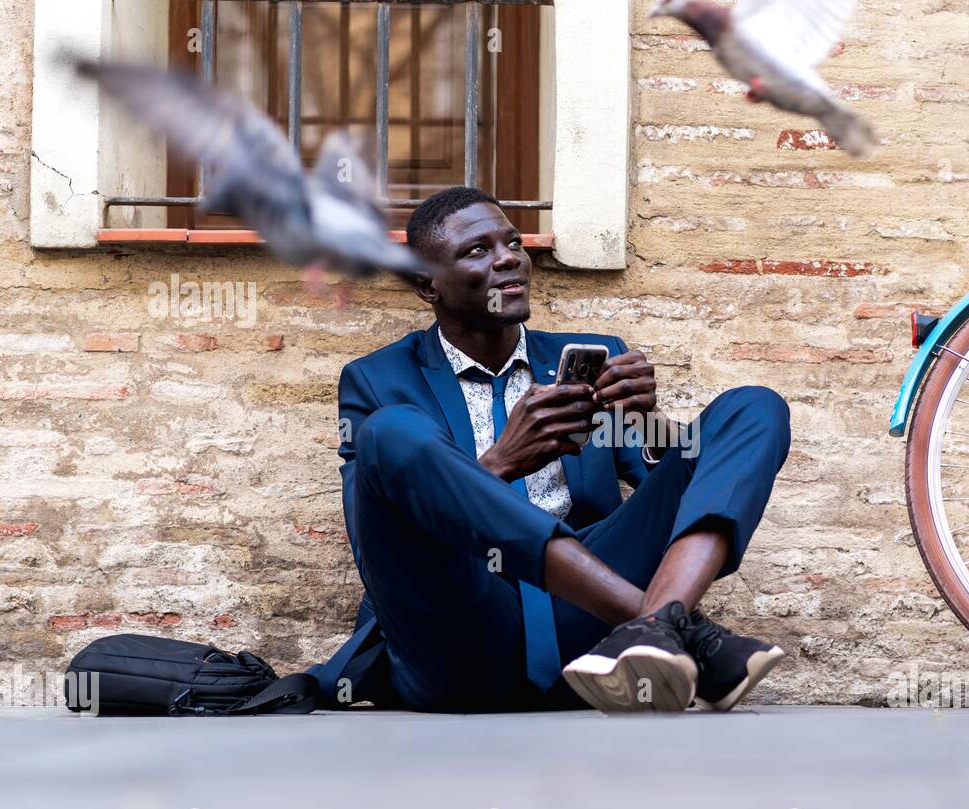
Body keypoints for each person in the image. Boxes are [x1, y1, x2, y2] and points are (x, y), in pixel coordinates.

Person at [324, 187, 792, 714]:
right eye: (477, 250)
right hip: (458, 624)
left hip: (583, 620)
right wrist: (500, 463)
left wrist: (646, 420)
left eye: (513, 241)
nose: (509, 258)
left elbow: (670, 485)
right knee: (391, 431)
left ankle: (656, 626)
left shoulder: (596, 356)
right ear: (426, 285)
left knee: (754, 407)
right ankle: (672, 629)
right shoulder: (378, 380)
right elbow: (374, 544)